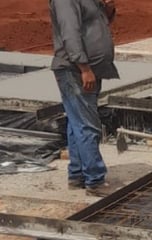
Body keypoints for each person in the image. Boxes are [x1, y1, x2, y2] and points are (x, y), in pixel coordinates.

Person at [49, 0, 119, 197]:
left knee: (77, 124)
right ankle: (95, 180)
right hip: (75, 71)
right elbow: (70, 34)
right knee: (88, 126)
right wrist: (84, 68)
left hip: (91, 69)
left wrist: (108, 8)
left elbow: (99, 24)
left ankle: (78, 175)